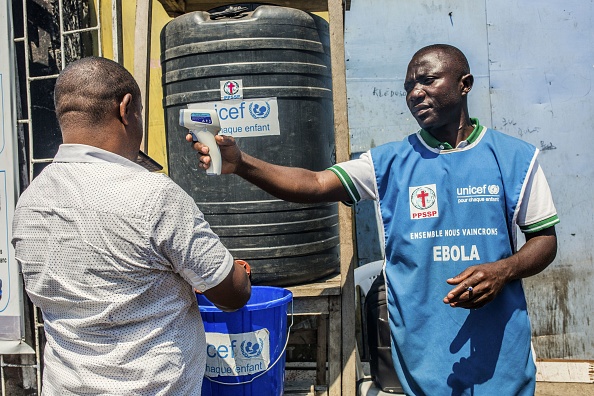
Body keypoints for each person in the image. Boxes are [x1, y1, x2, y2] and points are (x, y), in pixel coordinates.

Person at [189, 44, 559, 395]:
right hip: (424, 355)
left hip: (501, 350)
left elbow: (544, 240)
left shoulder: (515, 158)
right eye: (409, 86)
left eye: (427, 80)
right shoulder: (387, 163)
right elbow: (315, 183)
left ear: (464, 85)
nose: (415, 93)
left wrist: (503, 271)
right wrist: (242, 164)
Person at [11, 56, 251, 395]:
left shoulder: (30, 200)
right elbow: (232, 295)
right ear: (126, 109)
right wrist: (239, 272)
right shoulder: (154, 196)